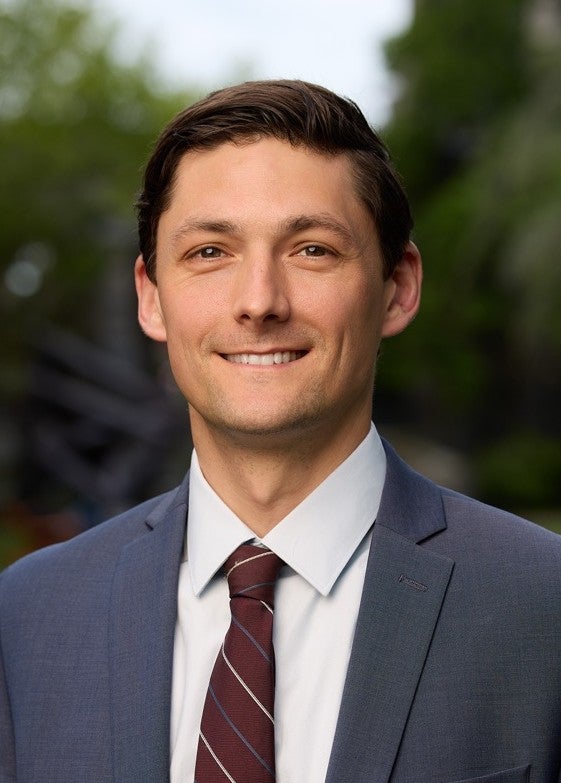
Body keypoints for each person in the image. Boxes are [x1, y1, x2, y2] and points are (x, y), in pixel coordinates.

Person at [1, 80, 560, 783]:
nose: (259, 301)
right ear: (151, 296)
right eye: (210, 252)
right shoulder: (27, 618)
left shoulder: (544, 608)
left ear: (398, 285)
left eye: (312, 250)